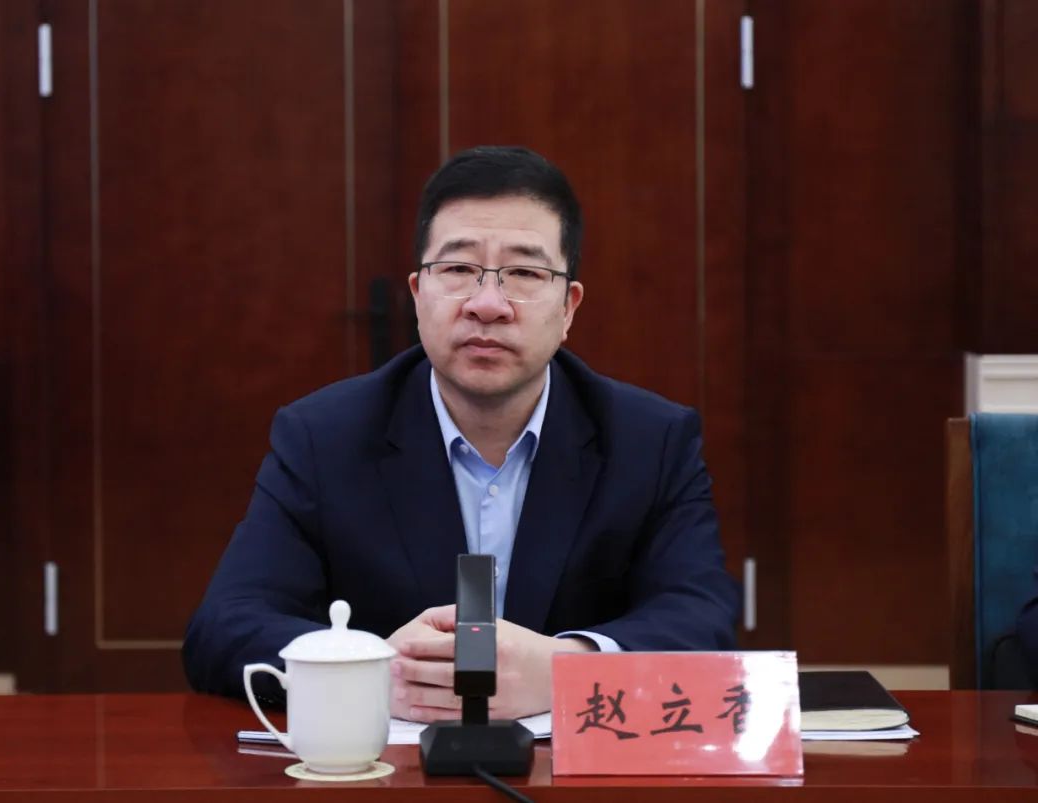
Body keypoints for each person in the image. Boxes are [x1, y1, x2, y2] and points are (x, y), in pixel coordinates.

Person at [183, 145, 740, 722]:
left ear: (568, 308)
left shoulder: (650, 441)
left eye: (524, 273)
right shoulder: (324, 437)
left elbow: (703, 620)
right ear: (417, 294)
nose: (488, 304)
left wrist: (566, 668)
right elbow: (225, 626)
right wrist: (367, 670)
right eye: (457, 270)